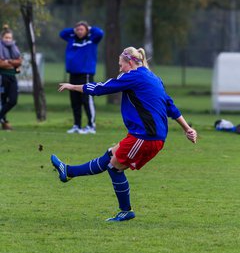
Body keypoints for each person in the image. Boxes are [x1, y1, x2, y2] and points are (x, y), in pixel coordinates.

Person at [51, 46, 197, 222]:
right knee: (111, 154)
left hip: (145, 136)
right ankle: (67, 172)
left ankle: (126, 211)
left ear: (129, 62)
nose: (120, 69)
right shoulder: (154, 78)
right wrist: (187, 128)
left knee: (114, 167)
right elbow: (170, 106)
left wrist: (72, 86)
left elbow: (100, 88)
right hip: (150, 135)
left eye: (121, 65)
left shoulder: (133, 77)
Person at [60, 21, 104, 134]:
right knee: (75, 102)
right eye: (77, 29)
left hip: (86, 75)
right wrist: (73, 29)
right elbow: (62, 33)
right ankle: (77, 125)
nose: (79, 31)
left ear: (87, 30)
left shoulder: (92, 39)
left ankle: (91, 126)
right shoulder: (71, 38)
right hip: (73, 74)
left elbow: (100, 33)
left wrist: (89, 27)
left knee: (87, 100)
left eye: (82, 29)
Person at [0, 25, 22, 130]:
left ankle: (2, 119)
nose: (8, 39)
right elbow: (1, 64)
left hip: (12, 77)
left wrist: (8, 62)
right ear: (2, 38)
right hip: (2, 76)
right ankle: (4, 123)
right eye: (6, 37)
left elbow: (20, 61)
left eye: (10, 38)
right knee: (2, 100)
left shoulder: (14, 47)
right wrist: (13, 64)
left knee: (13, 100)